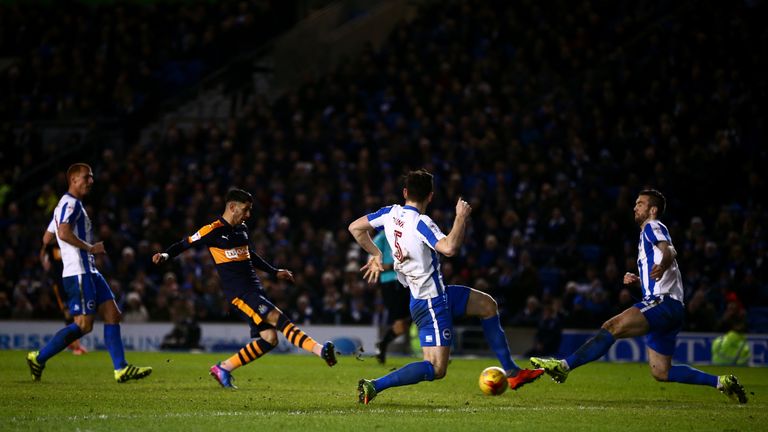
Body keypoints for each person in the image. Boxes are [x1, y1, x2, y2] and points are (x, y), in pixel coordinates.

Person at [531, 189, 748, 403]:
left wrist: (662, 265)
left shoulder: (653, 226)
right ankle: (721, 382)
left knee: (611, 327)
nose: (635, 207)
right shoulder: (647, 235)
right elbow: (661, 268)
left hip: (662, 303)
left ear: (653, 209)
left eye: (640, 203)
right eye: (635, 203)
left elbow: (670, 251)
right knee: (661, 371)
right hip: (671, 307)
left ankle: (563, 367)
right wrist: (639, 280)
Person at [348, 169, 543, 404]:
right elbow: (449, 248)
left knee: (488, 305)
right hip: (431, 302)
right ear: (431, 196)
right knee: (436, 368)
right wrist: (460, 217)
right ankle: (374, 385)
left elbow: (355, 228)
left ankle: (512, 372)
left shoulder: (390, 213)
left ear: (405, 192)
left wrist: (376, 253)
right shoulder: (421, 223)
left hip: (437, 293)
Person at [152, 188, 337, 388]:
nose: (248, 215)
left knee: (269, 339)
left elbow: (249, 254)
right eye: (245, 210)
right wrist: (165, 256)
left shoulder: (242, 229)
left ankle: (223, 368)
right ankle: (320, 350)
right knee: (277, 317)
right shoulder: (212, 230)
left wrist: (274, 272)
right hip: (240, 294)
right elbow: (184, 243)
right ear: (232, 207)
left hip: (255, 290)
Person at [26, 163, 152, 382]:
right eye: (87, 177)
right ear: (73, 180)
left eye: (92, 177)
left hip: (89, 270)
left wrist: (46, 255)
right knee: (83, 325)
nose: (91, 181)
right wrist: (89, 248)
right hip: (79, 271)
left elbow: (48, 238)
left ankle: (120, 369)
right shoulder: (70, 204)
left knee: (113, 313)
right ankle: (39, 357)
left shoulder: (63, 206)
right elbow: (63, 233)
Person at [40, 220, 87, 355]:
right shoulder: (51, 247)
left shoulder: (69, 245)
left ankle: (75, 345)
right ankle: (75, 346)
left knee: (75, 313)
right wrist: (44, 263)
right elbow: (42, 252)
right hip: (59, 284)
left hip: (71, 281)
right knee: (68, 313)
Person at [371, 230, 412, 364]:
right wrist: (396, 265)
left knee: (410, 319)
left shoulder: (403, 235)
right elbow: (373, 265)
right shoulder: (380, 239)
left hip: (406, 282)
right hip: (390, 284)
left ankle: (382, 344)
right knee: (401, 323)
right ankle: (382, 344)